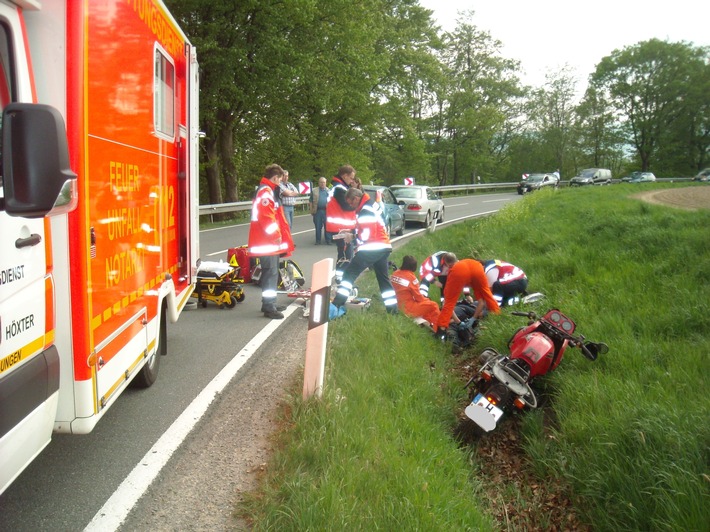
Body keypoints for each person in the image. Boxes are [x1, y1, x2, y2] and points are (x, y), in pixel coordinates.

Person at [331, 187, 398, 314]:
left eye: (351, 203)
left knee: (349, 274)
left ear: (356, 198)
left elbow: (367, 235)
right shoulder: (370, 204)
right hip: (383, 246)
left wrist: (353, 237)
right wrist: (351, 231)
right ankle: (393, 311)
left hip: (372, 248)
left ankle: (336, 305)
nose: (351, 206)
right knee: (384, 280)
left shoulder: (365, 210)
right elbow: (369, 227)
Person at [248, 164, 294, 319]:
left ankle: (269, 303)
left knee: (271, 273)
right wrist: (275, 235)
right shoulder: (266, 193)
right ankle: (269, 307)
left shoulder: (266, 191)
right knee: (270, 273)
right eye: (280, 179)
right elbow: (267, 218)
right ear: (275, 178)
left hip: (266, 242)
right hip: (267, 242)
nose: (280, 182)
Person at [435, 256, 500, 337]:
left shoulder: (456, 269)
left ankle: (441, 331)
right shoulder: (467, 262)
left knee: (449, 301)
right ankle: (497, 315)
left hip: (462, 271)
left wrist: (458, 322)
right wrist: (473, 318)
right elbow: (481, 302)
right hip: (477, 268)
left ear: (448, 265)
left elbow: (447, 302)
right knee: (487, 294)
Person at [326, 165, 357, 281]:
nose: (352, 180)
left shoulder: (339, 187)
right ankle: (342, 279)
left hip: (340, 226)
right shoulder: (339, 189)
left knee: (344, 253)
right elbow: (346, 206)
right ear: (344, 176)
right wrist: (356, 205)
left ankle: (340, 277)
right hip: (341, 227)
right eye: (351, 178)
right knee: (345, 254)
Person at [391, 255, 440, 328]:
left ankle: (429, 323)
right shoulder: (411, 278)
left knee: (426, 304)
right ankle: (438, 329)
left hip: (395, 305)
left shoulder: (394, 274)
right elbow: (419, 298)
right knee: (433, 305)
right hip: (407, 308)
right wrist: (427, 300)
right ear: (413, 267)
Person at [310, 177, 331, 245]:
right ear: (319, 183)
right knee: (318, 226)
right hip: (317, 211)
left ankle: (328, 240)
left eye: (324, 182)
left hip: (326, 211)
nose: (322, 184)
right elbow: (310, 201)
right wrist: (311, 210)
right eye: (321, 182)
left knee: (327, 226)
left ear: (326, 183)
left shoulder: (329, 191)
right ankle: (318, 241)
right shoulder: (314, 191)